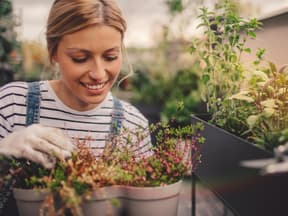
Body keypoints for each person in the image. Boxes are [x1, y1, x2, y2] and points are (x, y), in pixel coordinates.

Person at [0, 0, 152, 169]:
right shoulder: (13, 104)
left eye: (110, 57)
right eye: (80, 58)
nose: (98, 74)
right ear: (53, 51)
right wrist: (3, 149)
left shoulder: (133, 125)